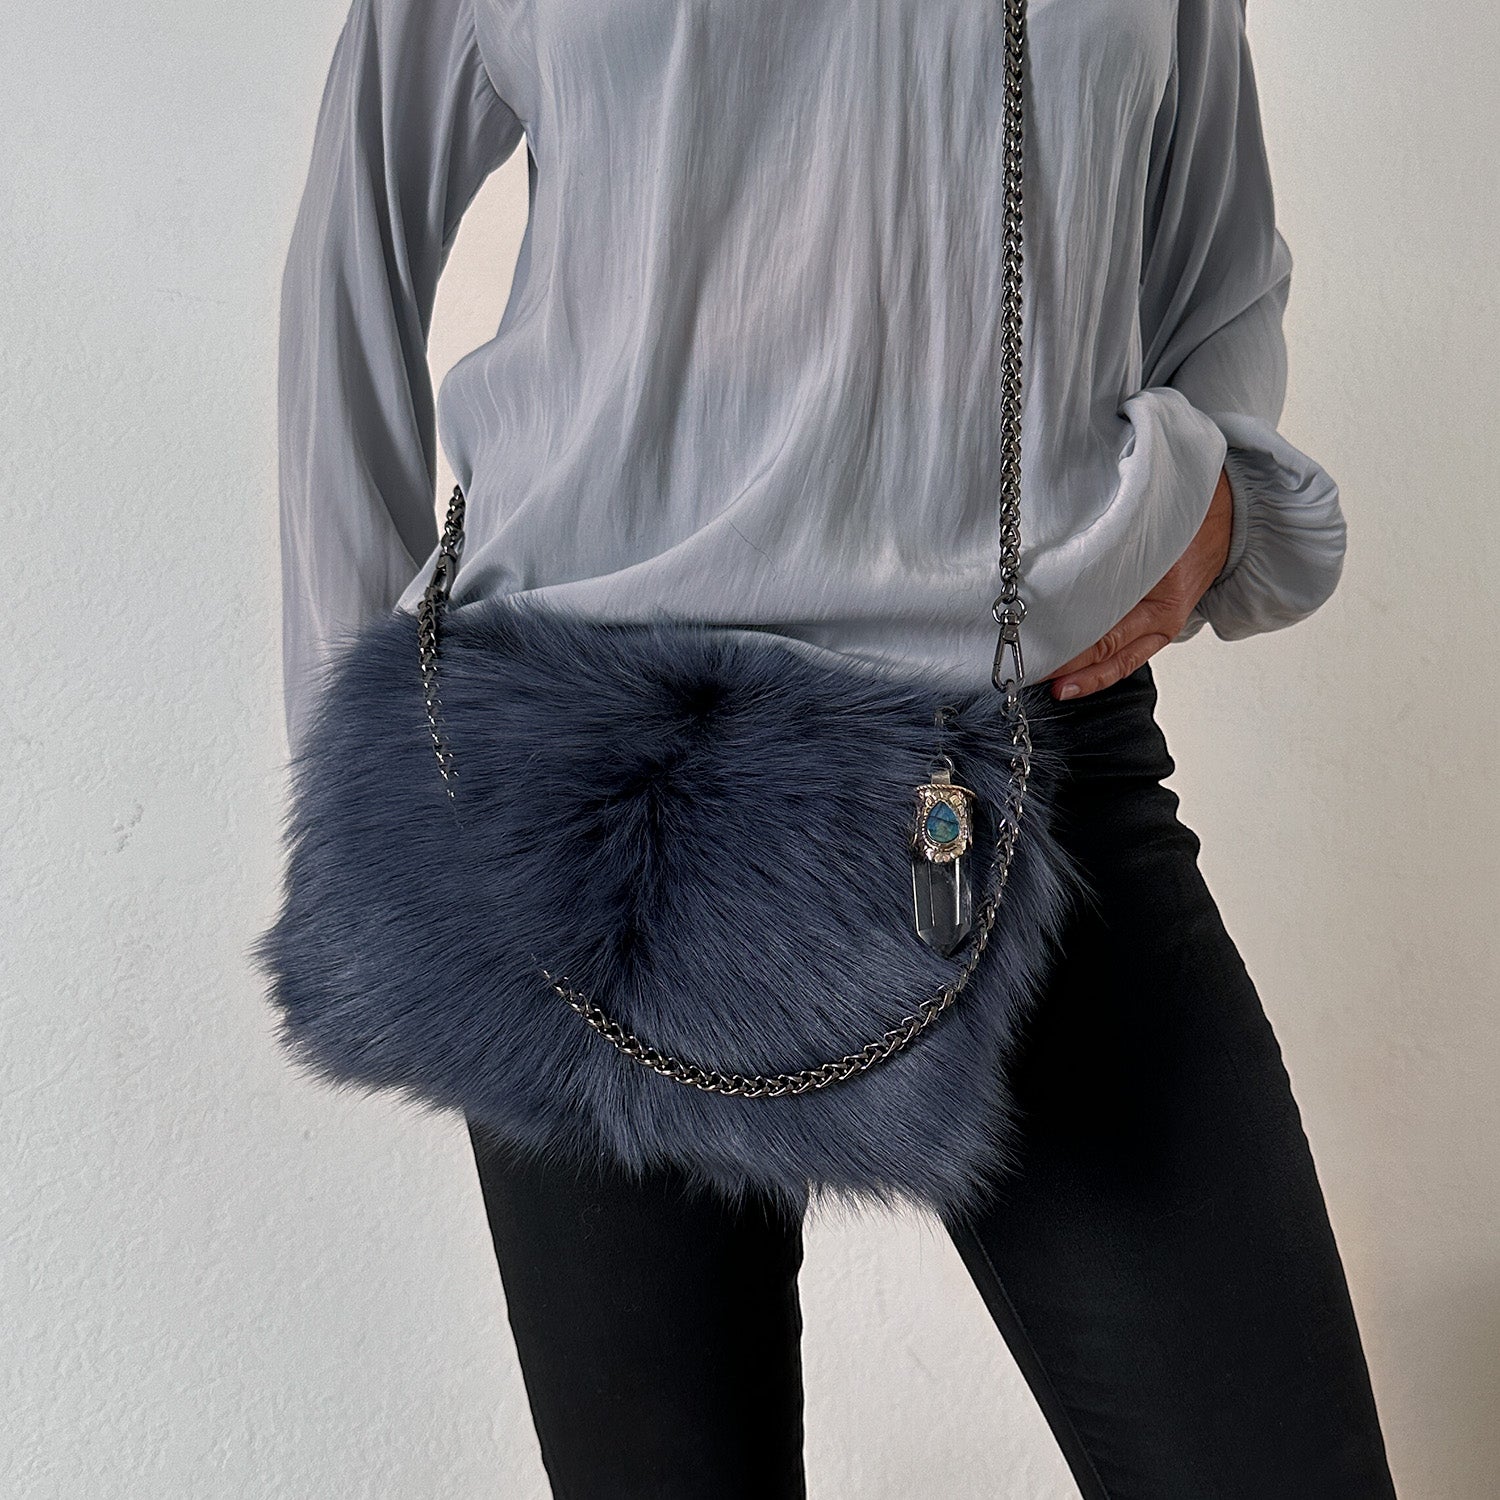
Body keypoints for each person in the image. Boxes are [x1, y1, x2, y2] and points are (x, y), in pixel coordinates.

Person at [274, 0, 1398, 1493]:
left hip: (1029, 762)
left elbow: (1215, 265)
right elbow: (353, 249)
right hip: (580, 811)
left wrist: (1222, 498)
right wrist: (367, 791)